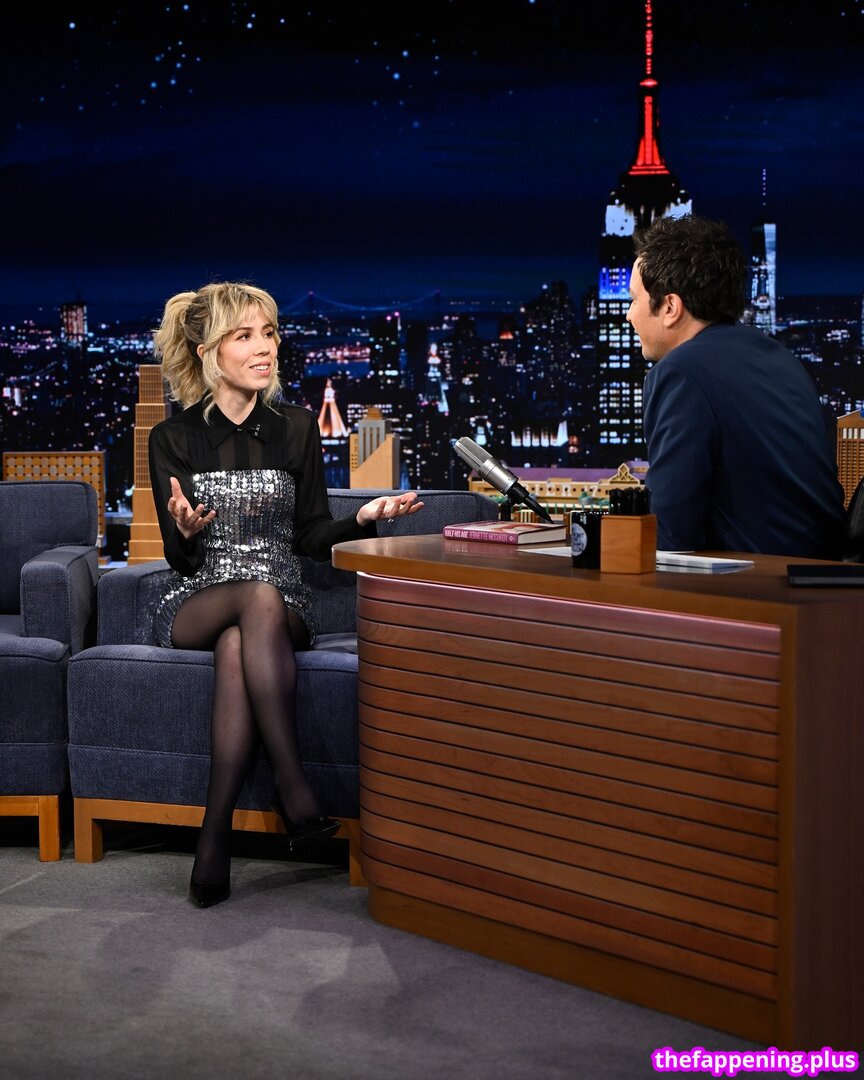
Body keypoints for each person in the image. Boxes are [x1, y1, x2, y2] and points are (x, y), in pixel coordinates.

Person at [148, 281, 423, 908]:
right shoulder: (172, 438)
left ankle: (213, 840)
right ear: (208, 351)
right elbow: (179, 558)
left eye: (269, 333)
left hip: (281, 599)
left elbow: (310, 537)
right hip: (200, 594)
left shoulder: (296, 427)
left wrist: (362, 518)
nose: (265, 347)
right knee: (246, 608)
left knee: (244, 634)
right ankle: (293, 789)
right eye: (245, 335)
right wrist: (186, 531)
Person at [628, 213, 846, 559]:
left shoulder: (681, 373)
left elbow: (669, 537)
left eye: (634, 300)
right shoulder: (783, 361)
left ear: (670, 307)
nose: (629, 315)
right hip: (822, 578)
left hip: (751, 585)